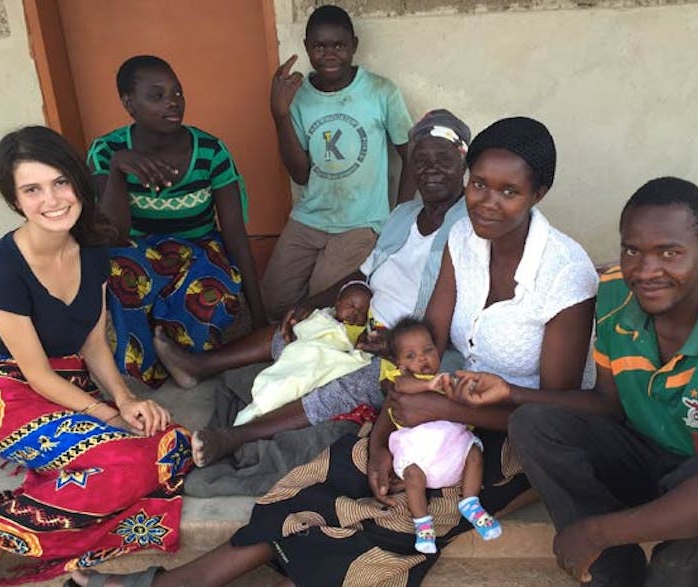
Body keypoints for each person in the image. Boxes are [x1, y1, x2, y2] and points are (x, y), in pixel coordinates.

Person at [69, 115, 599, 587]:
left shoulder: (562, 272)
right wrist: (389, 430)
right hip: (441, 404)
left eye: (509, 191)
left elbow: (552, 413)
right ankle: (170, 584)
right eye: (479, 184)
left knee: (390, 517)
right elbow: (427, 346)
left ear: (540, 193)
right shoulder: (465, 240)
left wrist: (439, 410)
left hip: (516, 438)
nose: (487, 201)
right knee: (332, 472)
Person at [450, 177, 698, 586]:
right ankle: (612, 569)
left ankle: (647, 563)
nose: (646, 271)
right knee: (532, 422)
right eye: (632, 250)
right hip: (643, 451)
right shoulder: (614, 293)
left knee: (676, 564)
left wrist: (597, 531)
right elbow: (608, 404)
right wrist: (513, 393)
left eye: (669, 253)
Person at [0, 126, 193, 587]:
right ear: (15, 201)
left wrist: (124, 400)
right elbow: (36, 375)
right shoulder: (0, 272)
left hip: (73, 383)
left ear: (77, 181)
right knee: (131, 463)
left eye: (60, 182)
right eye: (32, 189)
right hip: (14, 397)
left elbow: (94, 342)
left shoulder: (92, 247)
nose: (52, 200)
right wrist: (106, 413)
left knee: (171, 443)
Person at [158, 109, 472, 473]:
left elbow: (456, 312)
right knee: (297, 325)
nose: (430, 169)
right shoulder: (405, 213)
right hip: (364, 319)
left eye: (443, 160)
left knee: (350, 388)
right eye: (421, 161)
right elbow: (364, 271)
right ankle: (200, 365)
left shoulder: (467, 225)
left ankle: (235, 436)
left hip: (411, 342)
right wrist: (313, 301)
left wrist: (393, 344)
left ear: (462, 160)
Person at [87, 54, 266, 388]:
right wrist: (117, 169)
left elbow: (235, 234)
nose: (173, 102)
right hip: (137, 250)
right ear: (129, 103)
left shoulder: (210, 150)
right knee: (120, 273)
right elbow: (114, 234)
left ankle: (183, 356)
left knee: (216, 286)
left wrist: (258, 315)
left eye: (178, 93)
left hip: (199, 249)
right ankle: (146, 362)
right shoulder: (107, 150)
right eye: (157, 96)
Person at [262, 4, 417, 320]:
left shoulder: (379, 91)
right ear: (307, 48)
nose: (329, 54)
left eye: (339, 46)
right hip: (310, 217)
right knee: (274, 303)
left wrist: (398, 220)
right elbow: (300, 174)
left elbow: (411, 155)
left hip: (361, 223)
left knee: (325, 305)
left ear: (354, 46)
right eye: (319, 46)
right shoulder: (298, 96)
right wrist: (279, 115)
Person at [382, 318, 502, 554]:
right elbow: (403, 385)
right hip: (418, 454)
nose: (422, 358)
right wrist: (428, 386)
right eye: (411, 355)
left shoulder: (447, 379)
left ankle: (470, 502)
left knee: (475, 453)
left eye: (428, 351)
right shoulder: (402, 380)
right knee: (413, 477)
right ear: (400, 363)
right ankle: (423, 525)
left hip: (452, 449)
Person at [231, 281, 375, 427]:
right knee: (284, 384)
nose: (354, 314)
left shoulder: (359, 332)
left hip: (323, 363)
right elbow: (304, 331)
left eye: (362, 313)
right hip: (304, 356)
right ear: (337, 303)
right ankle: (256, 412)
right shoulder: (322, 316)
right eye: (351, 306)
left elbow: (356, 354)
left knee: (299, 386)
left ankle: (255, 416)